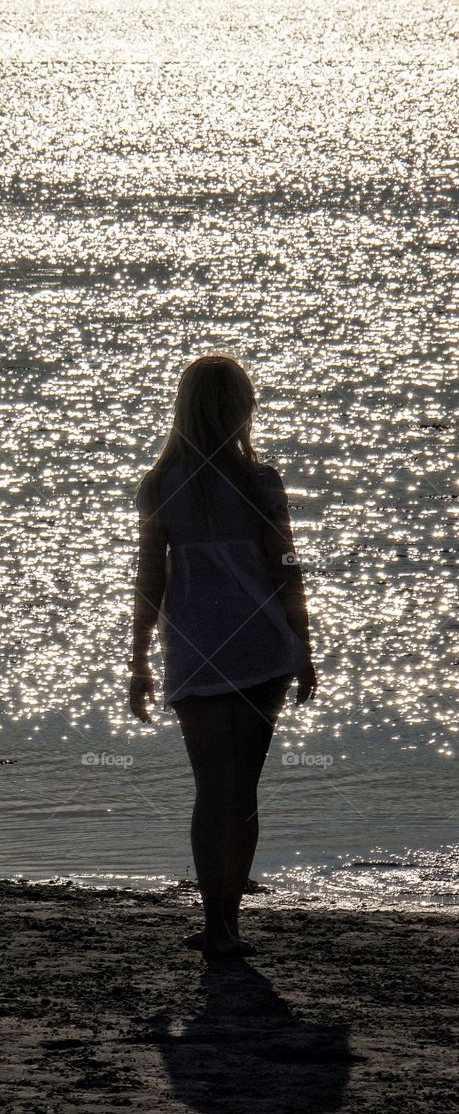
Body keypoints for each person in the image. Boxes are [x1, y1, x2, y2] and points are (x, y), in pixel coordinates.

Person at [128, 355, 317, 961]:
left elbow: (149, 580)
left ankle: (217, 926)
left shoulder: (160, 486)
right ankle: (228, 925)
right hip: (261, 646)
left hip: (196, 651)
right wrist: (303, 643)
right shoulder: (259, 482)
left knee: (213, 789)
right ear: (242, 409)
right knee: (243, 793)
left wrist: (138, 658)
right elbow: (285, 568)